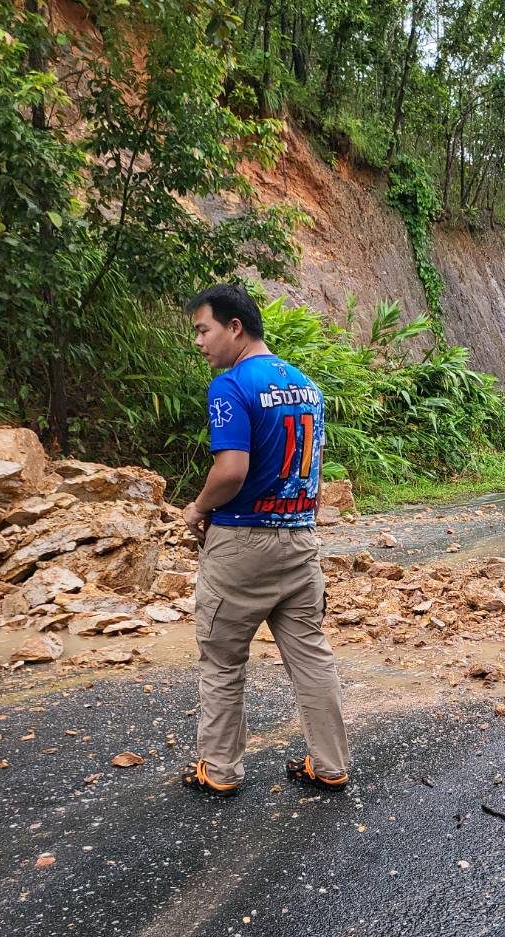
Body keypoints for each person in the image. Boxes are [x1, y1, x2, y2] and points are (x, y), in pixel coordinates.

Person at [179, 283, 350, 796]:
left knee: (222, 661)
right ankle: (330, 764)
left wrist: (197, 508)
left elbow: (231, 471)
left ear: (235, 327)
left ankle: (220, 771)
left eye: (203, 330)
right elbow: (312, 467)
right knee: (311, 657)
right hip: (299, 541)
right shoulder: (307, 387)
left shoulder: (230, 386)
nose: (199, 342)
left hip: (241, 543)